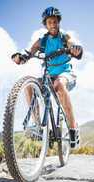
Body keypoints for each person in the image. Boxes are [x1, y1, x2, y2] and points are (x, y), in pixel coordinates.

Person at [12, 7, 83, 148]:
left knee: (59, 85)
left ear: (58, 22)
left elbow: (72, 44)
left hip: (65, 74)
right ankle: (39, 126)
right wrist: (21, 57)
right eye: (50, 22)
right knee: (30, 87)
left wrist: (75, 49)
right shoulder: (42, 41)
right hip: (49, 76)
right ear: (46, 24)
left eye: (55, 21)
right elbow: (29, 52)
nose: (53, 24)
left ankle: (73, 129)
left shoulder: (64, 37)